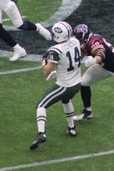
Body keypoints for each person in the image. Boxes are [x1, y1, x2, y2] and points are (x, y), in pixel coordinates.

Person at [30, 21, 81, 150]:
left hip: (65, 85)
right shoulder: (75, 41)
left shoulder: (56, 50)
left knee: (41, 105)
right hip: (77, 82)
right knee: (66, 100)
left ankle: (41, 133)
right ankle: (71, 128)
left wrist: (43, 61)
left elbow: (46, 70)